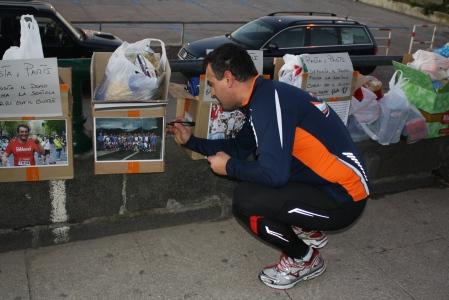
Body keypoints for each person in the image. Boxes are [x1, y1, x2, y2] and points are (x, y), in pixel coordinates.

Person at [169, 43, 369, 290]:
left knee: (247, 201)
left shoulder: (267, 103)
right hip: (324, 184)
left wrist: (230, 167)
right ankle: (307, 226)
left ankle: (304, 259)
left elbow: (273, 174)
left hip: (344, 199)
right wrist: (192, 142)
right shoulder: (264, 96)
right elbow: (239, 149)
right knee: (256, 180)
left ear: (229, 79)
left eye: (212, 84)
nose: (212, 91)